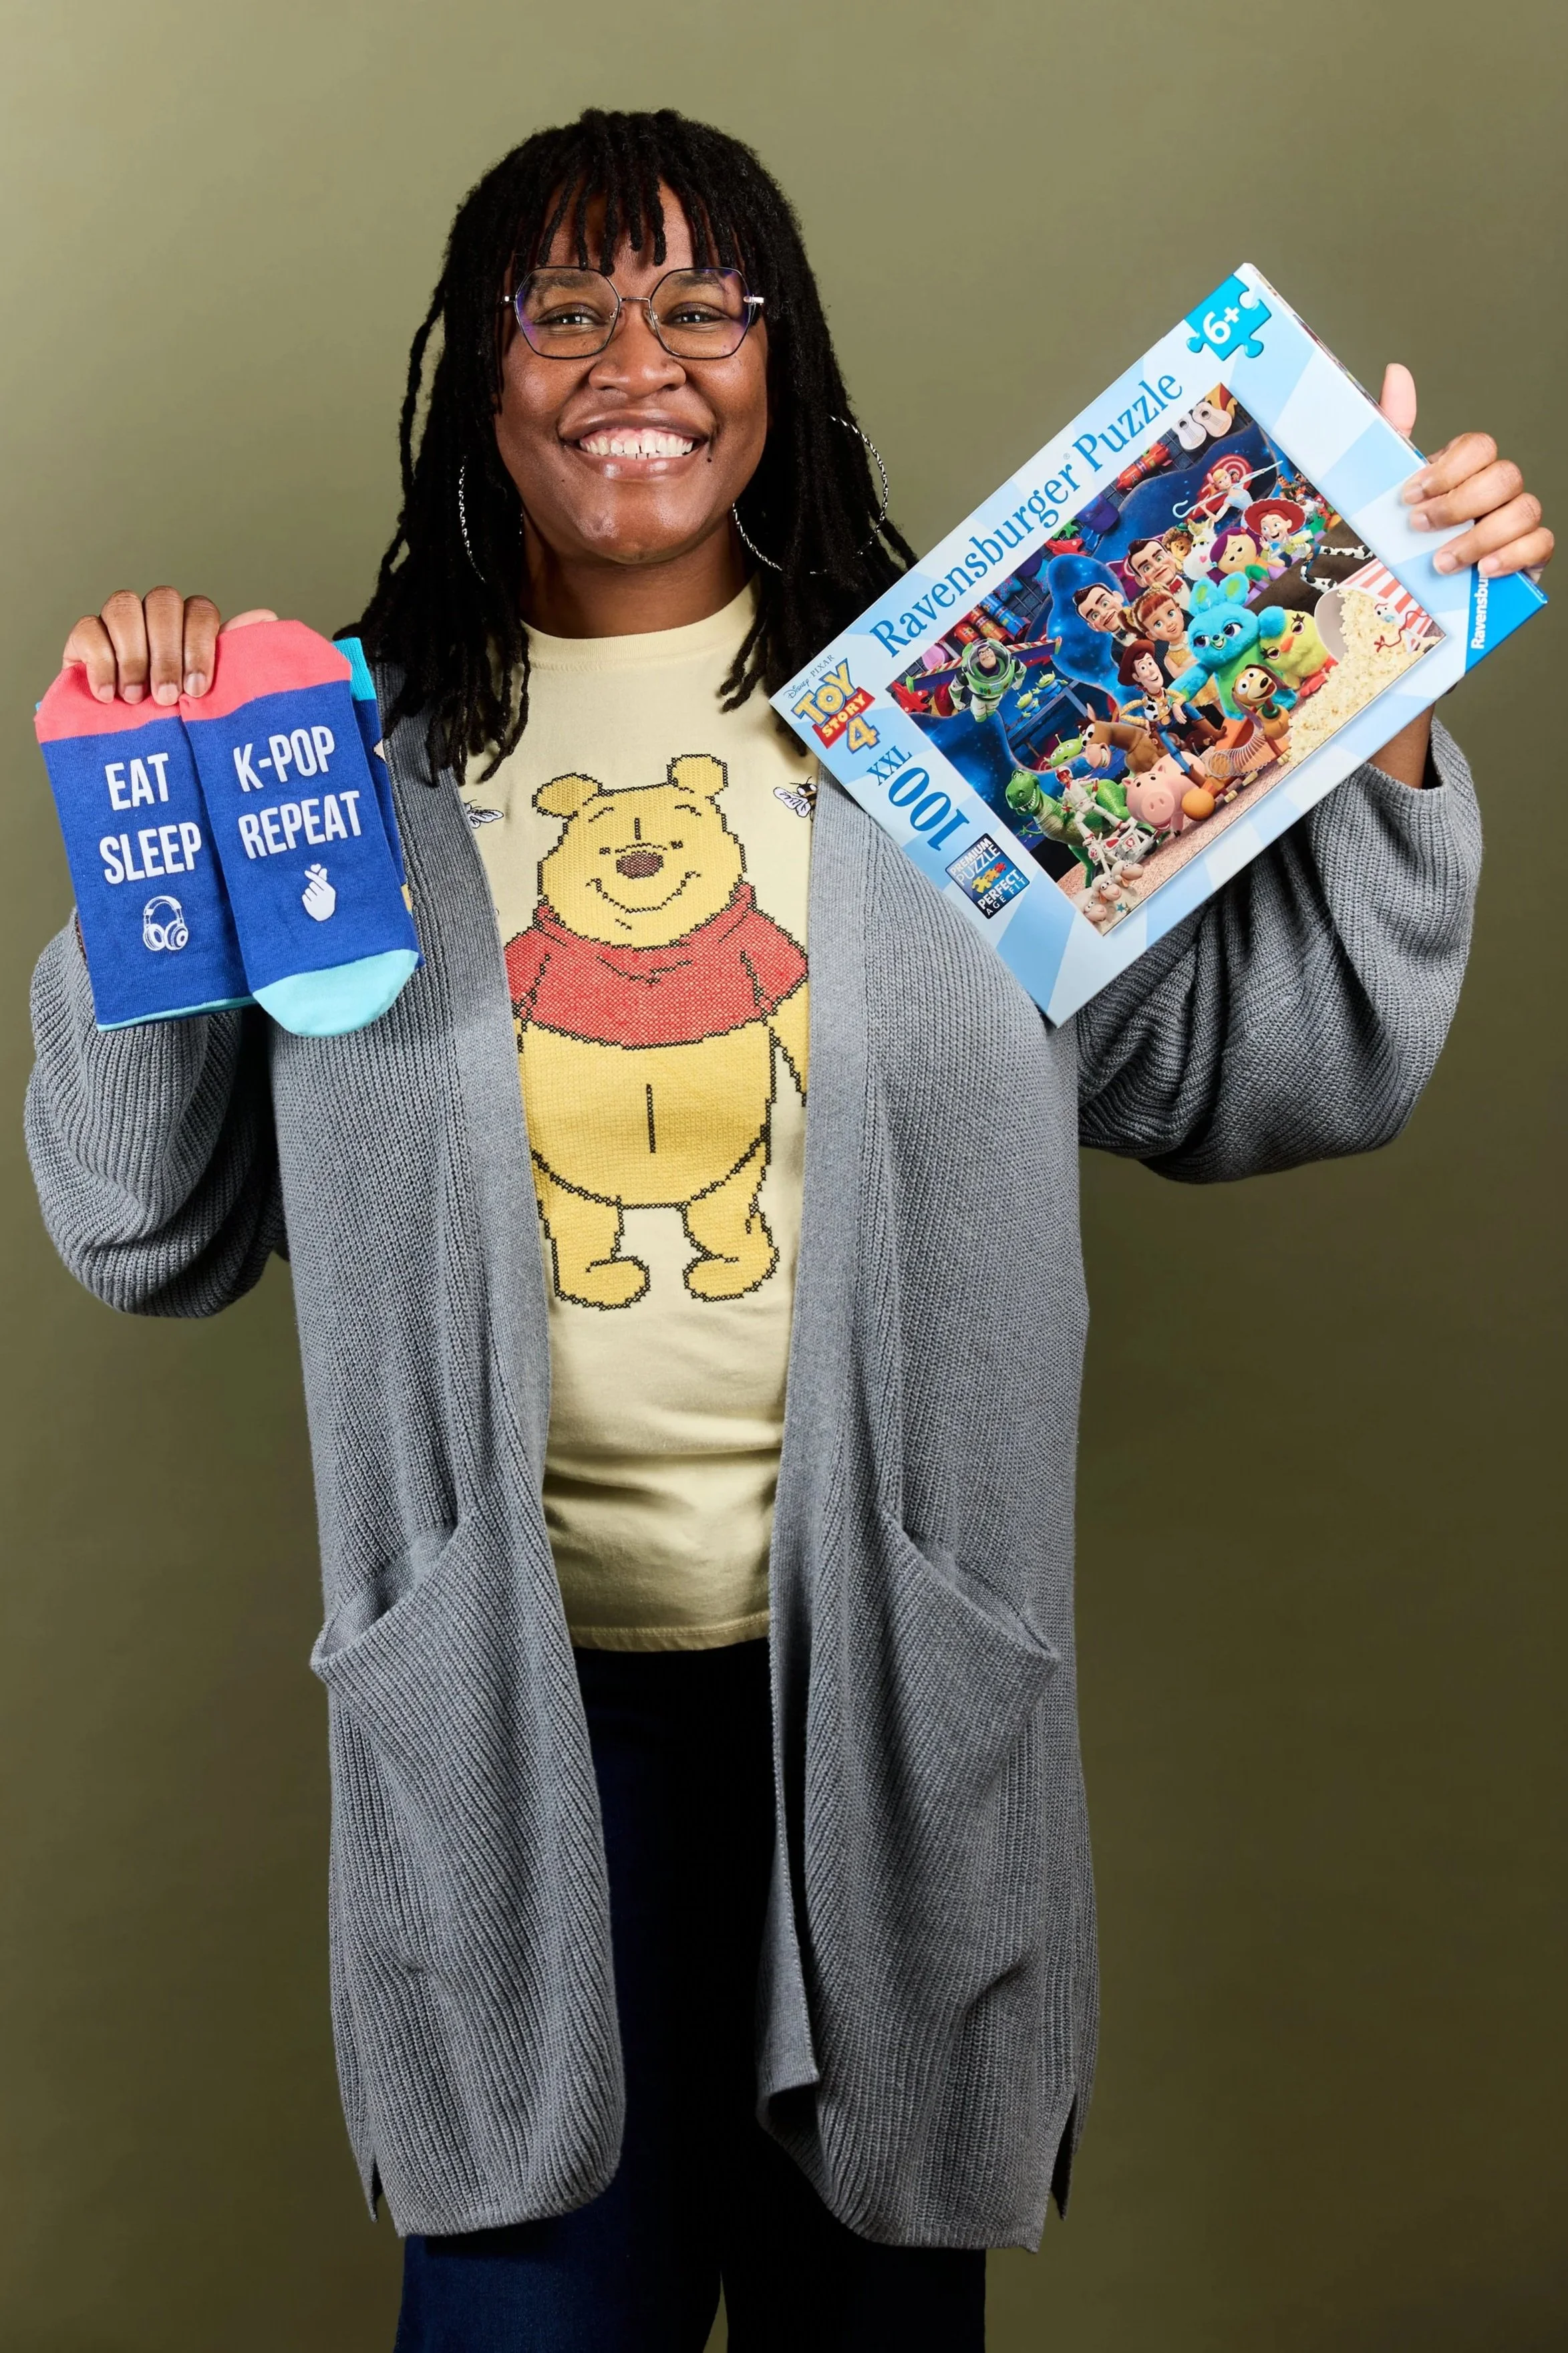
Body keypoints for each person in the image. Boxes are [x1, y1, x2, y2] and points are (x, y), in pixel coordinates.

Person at [23, 105, 1552, 2353]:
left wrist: (1389, 672)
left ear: (779, 359)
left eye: (698, 301)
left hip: (896, 1706)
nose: (634, 354)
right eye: (565, 305)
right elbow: (140, 1222)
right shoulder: (323, 764)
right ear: (481, 373)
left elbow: (1286, 1065)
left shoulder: (958, 738)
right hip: (509, 1723)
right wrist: (139, 790)